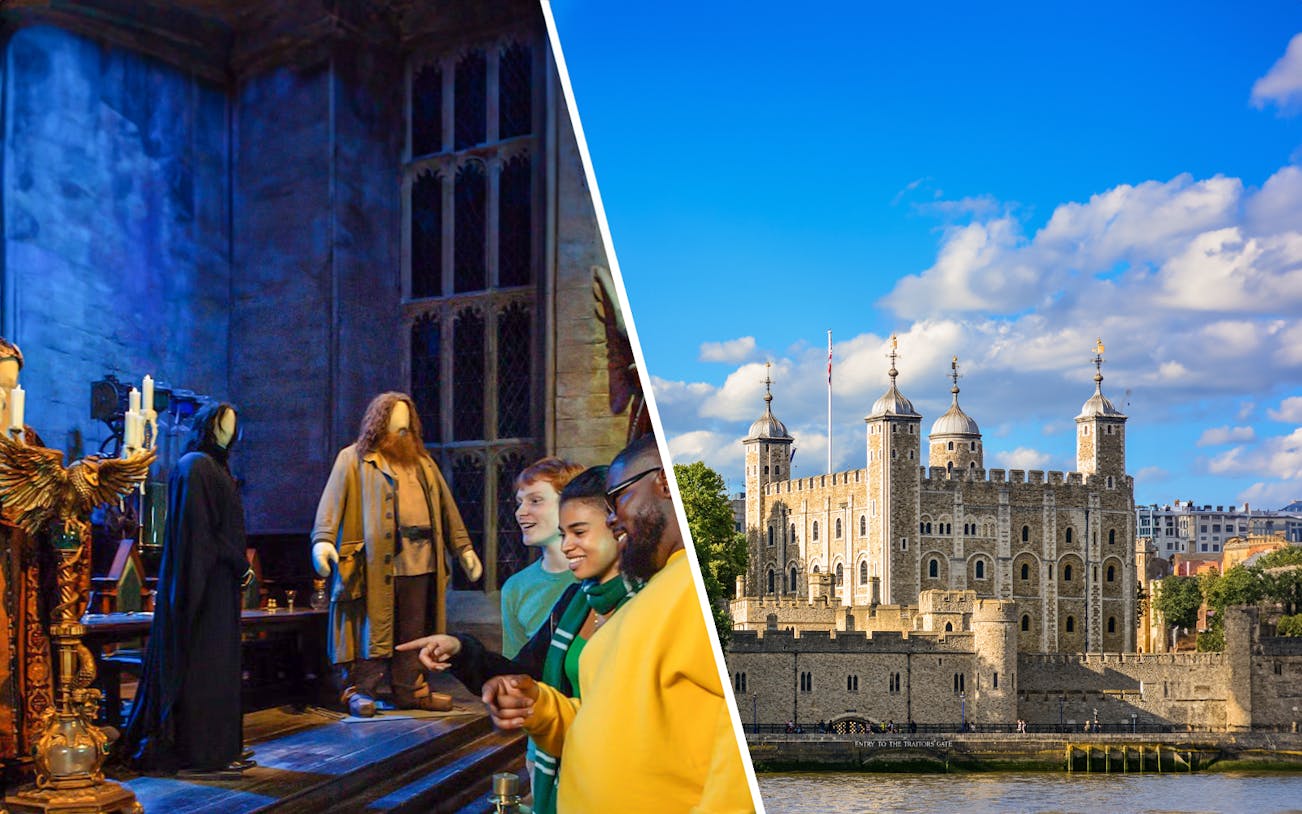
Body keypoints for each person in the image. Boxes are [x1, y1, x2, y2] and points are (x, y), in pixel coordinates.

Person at [481, 434, 755, 813]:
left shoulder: (688, 591)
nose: (613, 517)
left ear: (662, 483)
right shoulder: (655, 591)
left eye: (617, 498)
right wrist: (542, 708)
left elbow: (735, 766)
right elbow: (609, 727)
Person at [396, 466, 635, 814]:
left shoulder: (646, 605)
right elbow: (524, 675)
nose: (568, 545)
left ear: (619, 528)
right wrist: (460, 650)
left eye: (579, 532)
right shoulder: (573, 602)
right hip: (564, 770)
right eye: (564, 533)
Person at [312, 392, 480, 716]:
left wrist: (465, 549)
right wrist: (323, 540)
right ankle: (360, 690)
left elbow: (448, 509)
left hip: (422, 562)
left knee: (415, 631)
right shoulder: (353, 459)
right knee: (371, 629)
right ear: (378, 425)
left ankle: (411, 689)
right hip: (373, 565)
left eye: (406, 429)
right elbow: (330, 505)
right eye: (395, 427)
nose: (401, 435)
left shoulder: (423, 464)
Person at [122, 402, 253, 776]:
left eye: (233, 426)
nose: (230, 434)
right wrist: (238, 563)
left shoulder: (215, 468)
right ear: (209, 427)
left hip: (220, 585)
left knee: (222, 669)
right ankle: (200, 753)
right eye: (223, 426)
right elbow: (200, 534)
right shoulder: (194, 466)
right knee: (203, 667)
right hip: (204, 585)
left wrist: (236, 567)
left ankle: (222, 748)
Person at [500, 457, 584, 658]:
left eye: (535, 501)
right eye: (519, 503)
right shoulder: (515, 587)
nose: (520, 512)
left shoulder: (605, 576)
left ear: (570, 504)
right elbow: (514, 668)